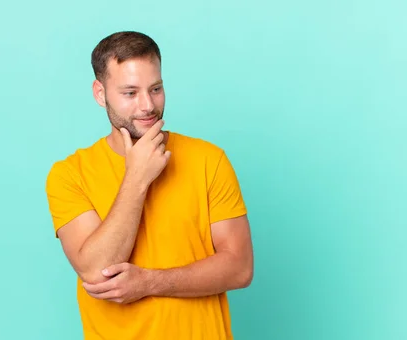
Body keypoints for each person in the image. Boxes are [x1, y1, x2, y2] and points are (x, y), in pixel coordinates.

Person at [45, 31, 254, 340]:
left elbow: (239, 268)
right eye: (130, 93)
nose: (147, 106)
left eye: (155, 89)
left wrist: (149, 282)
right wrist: (136, 178)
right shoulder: (69, 175)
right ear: (100, 94)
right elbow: (96, 270)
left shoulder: (208, 159)